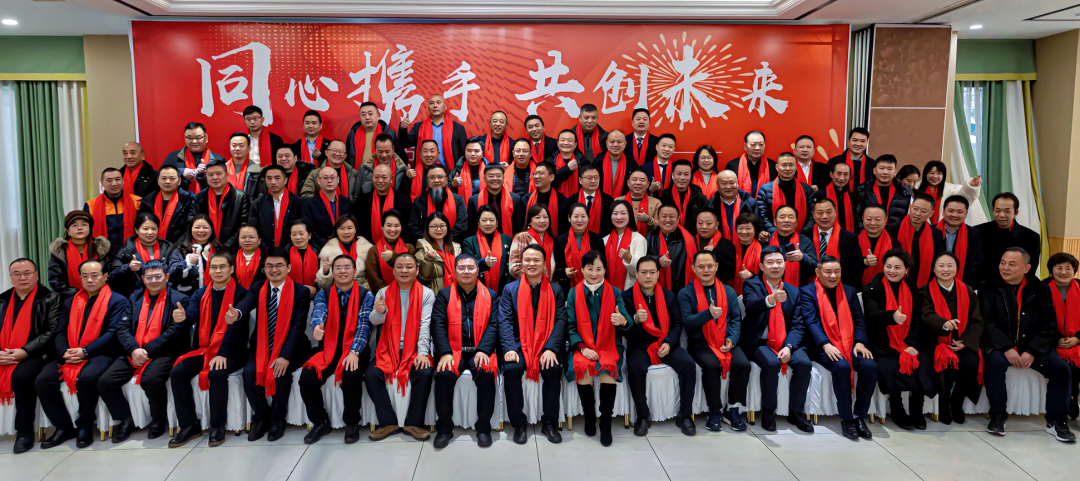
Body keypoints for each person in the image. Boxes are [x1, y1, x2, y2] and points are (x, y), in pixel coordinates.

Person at [980, 248, 1074, 441]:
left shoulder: (1040, 289)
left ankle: (1057, 422)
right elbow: (987, 323)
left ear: (1026, 268)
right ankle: (998, 417)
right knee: (994, 363)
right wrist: (1007, 348)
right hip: (1001, 346)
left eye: (1012, 264)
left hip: (1033, 346)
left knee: (1061, 369)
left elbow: (1048, 325)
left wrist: (1031, 351)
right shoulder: (988, 287)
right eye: (1003, 263)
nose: (1005, 268)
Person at [35, 259, 129, 449]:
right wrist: (64, 352)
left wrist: (86, 351)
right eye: (85, 276)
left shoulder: (118, 300)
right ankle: (63, 427)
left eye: (94, 275)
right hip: (70, 352)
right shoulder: (70, 302)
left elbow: (112, 333)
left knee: (87, 379)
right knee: (42, 380)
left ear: (105, 276)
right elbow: (60, 331)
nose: (89, 280)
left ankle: (85, 425)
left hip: (101, 353)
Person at [98, 259, 189, 443]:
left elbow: (174, 331)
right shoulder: (134, 298)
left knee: (151, 380)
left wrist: (146, 350)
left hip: (164, 351)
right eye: (149, 277)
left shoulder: (179, 299)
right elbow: (123, 328)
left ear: (167, 277)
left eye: (158, 276)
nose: (154, 281)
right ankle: (126, 420)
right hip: (134, 351)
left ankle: (158, 420)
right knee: (105, 382)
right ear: (143, 279)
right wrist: (133, 349)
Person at [169, 252, 253, 448]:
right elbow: (192, 315)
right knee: (177, 372)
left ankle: (217, 427)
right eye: (213, 267)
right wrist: (184, 317)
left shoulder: (242, 294)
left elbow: (236, 328)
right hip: (205, 349)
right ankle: (189, 426)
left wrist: (222, 353)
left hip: (233, 351)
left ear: (231, 269)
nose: (218, 271)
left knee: (217, 372)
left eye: (222, 266)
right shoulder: (200, 294)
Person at [796, 256, 877, 440]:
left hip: (849, 342)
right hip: (821, 345)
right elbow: (811, 321)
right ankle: (847, 419)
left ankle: (859, 416)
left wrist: (860, 341)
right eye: (828, 272)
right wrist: (825, 344)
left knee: (870, 366)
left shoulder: (849, 291)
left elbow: (859, 319)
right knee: (841, 366)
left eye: (837, 272)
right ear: (817, 272)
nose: (833, 276)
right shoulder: (807, 292)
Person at [299, 255, 374, 445]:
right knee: (307, 377)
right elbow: (319, 312)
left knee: (351, 374)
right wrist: (318, 325)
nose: (343, 271)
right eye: (338, 267)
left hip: (355, 348)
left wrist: (354, 352)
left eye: (347, 267)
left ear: (355, 272)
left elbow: (364, 327)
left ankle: (351, 422)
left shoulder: (366, 295)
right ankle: (320, 422)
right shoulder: (323, 294)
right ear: (332, 272)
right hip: (328, 348)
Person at [497, 244, 568, 445]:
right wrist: (509, 348)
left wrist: (551, 348)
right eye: (527, 260)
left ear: (544, 264)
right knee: (511, 369)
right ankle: (519, 424)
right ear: (521, 263)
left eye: (536, 260)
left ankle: (550, 423)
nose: (531, 264)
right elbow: (504, 321)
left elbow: (560, 321)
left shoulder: (555, 289)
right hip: (519, 345)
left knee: (553, 368)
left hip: (546, 345)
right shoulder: (510, 289)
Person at [621, 256, 697, 436]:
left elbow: (676, 324)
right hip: (640, 345)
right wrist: (635, 320)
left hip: (665, 343)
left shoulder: (669, 295)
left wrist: (669, 343)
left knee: (688, 365)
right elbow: (625, 331)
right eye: (643, 272)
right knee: (635, 367)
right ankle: (643, 416)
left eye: (652, 272)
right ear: (636, 274)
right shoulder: (626, 297)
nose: (648, 276)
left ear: (658, 274)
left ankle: (685, 415)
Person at [740, 246, 814, 432]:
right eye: (770, 262)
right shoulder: (752, 285)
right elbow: (750, 304)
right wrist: (771, 299)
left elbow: (798, 325)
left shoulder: (794, 292)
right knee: (771, 363)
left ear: (785, 265)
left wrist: (789, 346)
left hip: (786, 341)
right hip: (760, 341)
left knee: (804, 363)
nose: (775, 266)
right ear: (761, 266)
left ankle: (796, 413)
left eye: (779, 262)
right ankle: (768, 411)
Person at [430, 255, 500, 448]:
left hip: (480, 349)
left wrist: (484, 349)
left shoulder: (491, 295)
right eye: (462, 268)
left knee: (486, 374)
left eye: (470, 267)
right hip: (453, 350)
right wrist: (445, 352)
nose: (466, 271)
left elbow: (494, 325)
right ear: (455, 271)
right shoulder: (444, 295)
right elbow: (438, 325)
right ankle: (444, 429)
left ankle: (483, 428)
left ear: (478, 270)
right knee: (443, 375)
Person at [243, 248, 312, 442]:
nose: (274, 270)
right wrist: (237, 313)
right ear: (264, 269)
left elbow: (298, 327)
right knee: (249, 373)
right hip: (262, 345)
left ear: (288, 268)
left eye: (279, 265)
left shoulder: (301, 291)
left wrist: (285, 356)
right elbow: (245, 305)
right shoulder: (257, 288)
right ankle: (261, 417)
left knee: (280, 372)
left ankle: (277, 419)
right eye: (270, 266)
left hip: (292, 346)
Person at [366, 252, 435, 441]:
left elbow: (425, 325)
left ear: (417, 270)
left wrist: (423, 352)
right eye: (399, 267)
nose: (404, 270)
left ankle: (414, 423)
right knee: (372, 375)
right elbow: (374, 321)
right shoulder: (383, 293)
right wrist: (379, 312)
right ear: (393, 271)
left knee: (424, 372)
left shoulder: (427, 294)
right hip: (388, 348)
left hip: (414, 349)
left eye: (409, 267)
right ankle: (388, 422)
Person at [566, 251, 632, 446]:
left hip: (608, 345)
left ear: (605, 270)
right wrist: (582, 348)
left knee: (608, 370)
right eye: (590, 268)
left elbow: (628, 322)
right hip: (583, 345)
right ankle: (589, 415)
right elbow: (570, 326)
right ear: (582, 270)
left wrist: (622, 321)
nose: (594, 273)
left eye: (599, 269)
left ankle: (605, 421)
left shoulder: (615, 292)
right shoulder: (574, 293)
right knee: (583, 369)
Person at [679, 251, 749, 432]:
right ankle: (714, 410)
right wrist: (708, 314)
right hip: (701, 342)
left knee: (743, 364)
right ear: (693, 268)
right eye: (701, 266)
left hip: (726, 340)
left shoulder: (728, 291)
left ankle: (732, 409)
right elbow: (687, 322)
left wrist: (732, 340)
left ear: (716, 267)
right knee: (711, 366)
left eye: (710, 266)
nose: (706, 270)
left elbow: (736, 319)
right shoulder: (686, 293)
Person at [862, 249, 931, 431]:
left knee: (922, 361)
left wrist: (913, 344)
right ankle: (897, 408)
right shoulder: (872, 288)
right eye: (888, 266)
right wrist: (892, 316)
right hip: (882, 342)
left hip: (908, 340)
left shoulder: (912, 288)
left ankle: (917, 410)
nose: (892, 271)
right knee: (890, 365)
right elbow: (871, 315)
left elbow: (917, 319)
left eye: (898, 267)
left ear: (906, 270)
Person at [1, 259, 60, 454]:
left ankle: (24, 433)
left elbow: (52, 332)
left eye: (27, 273)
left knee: (22, 377)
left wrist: (25, 351)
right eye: (16, 274)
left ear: (36, 275)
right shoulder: (2, 300)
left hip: (37, 354)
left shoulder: (50, 298)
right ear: (11, 277)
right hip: (4, 353)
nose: (22, 278)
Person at [919, 252, 982, 426]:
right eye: (941, 266)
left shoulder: (968, 290)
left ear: (957, 268)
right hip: (936, 341)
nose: (945, 269)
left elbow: (976, 320)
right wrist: (944, 324)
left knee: (970, 363)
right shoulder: (925, 291)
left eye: (950, 265)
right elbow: (926, 315)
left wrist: (965, 342)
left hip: (962, 341)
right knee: (947, 364)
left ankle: (957, 402)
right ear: (934, 269)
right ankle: (944, 403)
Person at [976, 193, 1042, 285]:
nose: (1001, 215)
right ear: (993, 210)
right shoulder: (978, 232)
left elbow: (1030, 269)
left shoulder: (1031, 237)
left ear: (1016, 213)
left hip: (1015, 286)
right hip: (983, 286)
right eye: (997, 210)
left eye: (1007, 211)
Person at [1045, 253, 1080, 419]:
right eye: (1059, 268)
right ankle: (1070, 398)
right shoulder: (1041, 289)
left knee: (1075, 356)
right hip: (1050, 339)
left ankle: (1072, 396)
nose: (1063, 272)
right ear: (1051, 270)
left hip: (1077, 340)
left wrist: (1078, 338)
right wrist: (1057, 338)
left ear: (1074, 270)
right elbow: (1038, 320)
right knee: (1064, 363)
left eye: (1068, 268)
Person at [49, 211, 112, 300]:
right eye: (74, 225)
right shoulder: (59, 252)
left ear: (89, 228)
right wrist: (78, 294)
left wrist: (95, 292)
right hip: (70, 298)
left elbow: (109, 275)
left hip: (100, 296)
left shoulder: (101, 250)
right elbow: (56, 280)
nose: (79, 228)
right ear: (68, 231)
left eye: (84, 225)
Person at [886, 193, 944, 289]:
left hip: (925, 283)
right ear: (910, 207)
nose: (917, 214)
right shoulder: (892, 229)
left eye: (923, 211)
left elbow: (938, 259)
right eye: (915, 209)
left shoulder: (936, 233)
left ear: (931, 214)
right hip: (896, 280)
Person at [194, 159, 252, 252]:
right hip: (205, 249)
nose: (215, 177)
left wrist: (223, 248)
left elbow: (244, 226)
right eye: (210, 175)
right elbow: (192, 223)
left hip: (232, 250)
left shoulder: (241, 197)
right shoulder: (199, 197)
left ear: (226, 174)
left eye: (218, 174)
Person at [398, 94, 467, 170]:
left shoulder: (458, 128)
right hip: (425, 173)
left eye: (438, 102)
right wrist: (403, 128)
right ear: (428, 108)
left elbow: (463, 154)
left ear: (445, 107)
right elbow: (405, 143)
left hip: (450, 173)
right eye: (432, 103)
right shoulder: (419, 127)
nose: (435, 106)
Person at [111, 212, 172, 297]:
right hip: (136, 296)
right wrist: (128, 268)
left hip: (165, 294)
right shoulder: (126, 251)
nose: (150, 232)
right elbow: (112, 277)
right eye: (145, 229)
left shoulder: (167, 248)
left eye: (153, 229)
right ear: (137, 230)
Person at [85, 167, 142, 257]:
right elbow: (86, 234)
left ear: (123, 181)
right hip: (103, 256)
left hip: (132, 254)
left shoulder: (137, 202)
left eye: (117, 179)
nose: (114, 183)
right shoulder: (90, 205)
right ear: (102, 183)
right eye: (109, 180)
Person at [804, 198, 862, 285]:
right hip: (810, 287)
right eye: (820, 213)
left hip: (841, 287)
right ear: (813, 215)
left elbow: (854, 271)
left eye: (829, 212)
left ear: (835, 213)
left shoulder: (850, 239)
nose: (824, 216)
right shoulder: (806, 236)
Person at [167, 214, 227, 295]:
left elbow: (229, 272)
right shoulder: (181, 250)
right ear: (190, 229)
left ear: (211, 230)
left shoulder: (220, 249)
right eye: (197, 227)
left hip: (217, 295)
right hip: (188, 297)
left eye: (205, 227)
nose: (201, 230)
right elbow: (170, 274)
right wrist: (186, 263)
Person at [355, 162, 413, 245]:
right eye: (376, 177)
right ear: (372, 177)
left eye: (384, 177)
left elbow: (406, 229)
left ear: (391, 178)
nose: (380, 181)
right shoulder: (362, 201)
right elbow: (360, 228)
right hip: (368, 247)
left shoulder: (404, 201)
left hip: (397, 247)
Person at [249, 165, 306, 248]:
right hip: (264, 250)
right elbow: (253, 230)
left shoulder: (298, 202)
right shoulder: (257, 204)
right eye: (269, 178)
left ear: (285, 180)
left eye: (277, 178)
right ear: (265, 180)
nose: (273, 182)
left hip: (292, 249)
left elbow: (305, 228)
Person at [757, 153, 814, 235]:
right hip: (773, 236)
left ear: (796, 167)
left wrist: (801, 235)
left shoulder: (807, 189)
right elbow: (762, 216)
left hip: (802, 236)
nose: (787, 168)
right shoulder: (765, 189)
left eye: (791, 165)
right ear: (777, 167)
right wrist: (777, 234)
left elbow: (812, 216)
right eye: (784, 165)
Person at [554, 203, 606, 293]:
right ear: (569, 218)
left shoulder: (597, 239)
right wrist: (565, 271)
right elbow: (555, 270)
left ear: (588, 218)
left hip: (595, 288)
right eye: (576, 216)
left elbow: (603, 265)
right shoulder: (560, 241)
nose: (579, 220)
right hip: (568, 289)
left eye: (583, 216)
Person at [409, 164, 467, 241]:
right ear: (427, 181)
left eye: (440, 177)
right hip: (426, 244)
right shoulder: (419, 201)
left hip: (452, 243)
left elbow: (462, 226)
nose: (436, 180)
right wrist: (429, 242)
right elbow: (414, 227)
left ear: (446, 179)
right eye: (432, 177)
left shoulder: (458, 200)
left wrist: (445, 242)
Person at [140, 165, 196, 243]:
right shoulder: (147, 201)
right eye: (163, 178)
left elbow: (189, 229)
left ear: (179, 181)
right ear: (158, 181)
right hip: (152, 245)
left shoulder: (189, 200)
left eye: (172, 178)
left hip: (179, 246)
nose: (167, 181)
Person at [162, 121, 223, 193]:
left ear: (206, 138)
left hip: (209, 198)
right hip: (181, 199)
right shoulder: (173, 157)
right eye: (189, 138)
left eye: (198, 137)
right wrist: (180, 172)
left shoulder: (218, 160)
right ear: (185, 138)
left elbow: (223, 185)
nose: (194, 141)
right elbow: (160, 177)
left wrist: (203, 177)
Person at [315, 215, 373, 291]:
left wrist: (363, 291)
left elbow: (372, 276)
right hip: (337, 292)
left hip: (362, 291)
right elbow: (323, 285)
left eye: (349, 228)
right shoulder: (328, 251)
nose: (346, 232)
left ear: (355, 229)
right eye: (342, 228)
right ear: (336, 230)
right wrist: (325, 273)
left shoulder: (367, 249)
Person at [647, 205, 695, 295]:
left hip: (682, 289)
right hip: (654, 288)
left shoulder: (689, 239)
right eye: (664, 216)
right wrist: (658, 260)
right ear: (657, 218)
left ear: (678, 219)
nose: (668, 220)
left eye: (672, 216)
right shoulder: (650, 237)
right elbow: (643, 260)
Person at [462, 206, 513, 291]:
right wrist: (484, 263)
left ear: (497, 222)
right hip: (477, 288)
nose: (488, 223)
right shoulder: (469, 241)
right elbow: (468, 265)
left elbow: (510, 266)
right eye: (484, 220)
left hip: (504, 289)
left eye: (492, 220)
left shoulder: (507, 240)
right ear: (478, 222)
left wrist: (506, 290)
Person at [303, 166, 355, 248]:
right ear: (318, 181)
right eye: (325, 178)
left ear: (338, 179)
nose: (329, 181)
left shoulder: (347, 203)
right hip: (321, 248)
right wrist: (329, 245)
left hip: (346, 246)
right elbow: (310, 231)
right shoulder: (309, 204)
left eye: (332, 177)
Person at [915, 160, 982, 224]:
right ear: (925, 174)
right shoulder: (916, 187)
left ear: (943, 175)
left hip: (942, 227)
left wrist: (971, 186)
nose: (935, 176)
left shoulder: (949, 189)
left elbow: (962, 198)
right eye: (931, 173)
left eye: (939, 173)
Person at [365, 210, 415, 294]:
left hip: (408, 293)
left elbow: (412, 269)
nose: (392, 229)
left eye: (396, 226)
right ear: (382, 226)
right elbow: (374, 280)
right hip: (384, 296)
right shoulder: (373, 250)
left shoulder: (409, 248)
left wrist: (393, 257)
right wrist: (390, 294)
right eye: (388, 225)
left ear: (401, 227)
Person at [766, 206, 817, 287]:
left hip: (799, 290)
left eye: (790, 217)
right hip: (769, 289)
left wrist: (802, 258)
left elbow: (816, 268)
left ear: (796, 222)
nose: (786, 220)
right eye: (782, 217)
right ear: (775, 222)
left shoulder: (805, 241)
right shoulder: (767, 240)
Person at [853, 154, 911, 226]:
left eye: (890, 169)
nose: (885, 172)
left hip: (894, 232)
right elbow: (857, 217)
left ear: (895, 172)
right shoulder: (862, 190)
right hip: (869, 231)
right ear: (874, 170)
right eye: (881, 168)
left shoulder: (904, 192)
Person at [345, 101, 406, 168]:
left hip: (382, 173)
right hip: (358, 173)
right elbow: (347, 159)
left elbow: (402, 158)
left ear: (378, 115)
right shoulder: (352, 135)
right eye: (363, 115)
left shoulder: (389, 134)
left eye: (370, 114)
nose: (367, 117)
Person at [467, 164, 522, 237]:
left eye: (498, 176)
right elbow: (472, 229)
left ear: (503, 177)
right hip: (480, 241)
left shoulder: (516, 199)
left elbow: (519, 228)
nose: (495, 178)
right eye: (491, 176)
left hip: (508, 241)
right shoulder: (474, 200)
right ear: (484, 179)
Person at [938, 195, 982, 284]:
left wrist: (961, 285)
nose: (954, 215)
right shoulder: (932, 231)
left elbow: (976, 263)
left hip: (964, 283)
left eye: (959, 212)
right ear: (943, 211)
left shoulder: (975, 234)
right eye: (951, 211)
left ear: (966, 214)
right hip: (934, 282)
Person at [604, 200, 648, 290]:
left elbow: (642, 270)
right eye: (615, 213)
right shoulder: (605, 240)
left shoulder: (639, 239)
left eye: (623, 213)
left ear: (629, 216)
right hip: (607, 290)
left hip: (629, 290)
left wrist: (629, 259)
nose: (619, 217)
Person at [416, 213, 462, 293]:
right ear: (427, 228)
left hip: (457, 294)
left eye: (442, 226)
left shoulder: (456, 248)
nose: (438, 229)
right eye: (434, 226)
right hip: (436, 296)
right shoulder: (423, 250)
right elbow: (423, 278)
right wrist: (429, 259)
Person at [522, 161, 569, 235]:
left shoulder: (562, 201)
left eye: (541, 173)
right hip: (530, 239)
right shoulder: (526, 199)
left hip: (554, 240)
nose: (536, 177)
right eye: (535, 174)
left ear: (551, 177)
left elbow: (564, 229)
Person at [709, 170, 757, 242]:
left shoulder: (750, 203)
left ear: (737, 183)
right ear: (717, 185)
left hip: (746, 244)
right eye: (724, 183)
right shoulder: (711, 204)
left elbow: (757, 227)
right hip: (719, 245)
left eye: (732, 183)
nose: (728, 187)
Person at [660, 159, 708, 231]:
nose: (682, 178)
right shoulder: (664, 198)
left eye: (686, 174)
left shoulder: (700, 198)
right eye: (679, 174)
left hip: (694, 237)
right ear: (673, 175)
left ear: (691, 176)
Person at [725, 131, 776, 198]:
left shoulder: (773, 166)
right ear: (745, 146)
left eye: (761, 144)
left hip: (765, 204)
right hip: (739, 203)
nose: (757, 148)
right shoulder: (732, 166)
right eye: (753, 144)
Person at [357, 133, 410, 197]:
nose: (384, 155)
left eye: (387, 151)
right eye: (380, 152)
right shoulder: (365, 168)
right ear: (375, 150)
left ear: (393, 149)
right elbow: (357, 194)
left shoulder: (402, 169)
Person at [810, 162, 856, 233]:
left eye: (845, 174)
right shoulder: (821, 194)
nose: (842, 178)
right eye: (839, 174)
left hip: (847, 235)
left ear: (849, 177)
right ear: (831, 174)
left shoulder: (851, 196)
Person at [857, 206, 896, 287]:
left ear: (885, 220)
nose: (873, 223)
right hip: (857, 289)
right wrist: (865, 263)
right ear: (863, 219)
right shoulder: (853, 241)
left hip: (886, 288)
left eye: (877, 219)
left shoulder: (894, 243)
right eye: (869, 219)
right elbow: (846, 268)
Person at [596, 129, 636, 199]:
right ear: (607, 143)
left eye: (619, 142)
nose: (615, 145)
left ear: (625, 144)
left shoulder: (631, 163)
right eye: (612, 142)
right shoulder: (598, 162)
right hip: (601, 201)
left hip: (625, 202)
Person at [730, 213, 764, 296]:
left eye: (748, 228)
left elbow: (766, 275)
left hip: (753, 293)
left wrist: (752, 275)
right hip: (731, 292)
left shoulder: (762, 250)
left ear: (755, 231)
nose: (744, 232)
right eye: (740, 228)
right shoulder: (730, 247)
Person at [575, 165, 614, 235]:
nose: (593, 181)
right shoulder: (572, 200)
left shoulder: (608, 200)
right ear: (580, 180)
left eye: (596, 178)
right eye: (589, 178)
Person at [286, 222, 320, 296]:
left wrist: (315, 288)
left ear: (309, 235)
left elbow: (322, 277)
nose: (298, 237)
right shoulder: (285, 253)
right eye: (294, 234)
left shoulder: (318, 252)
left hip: (313, 293)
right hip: (290, 292)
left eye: (301, 234)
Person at [551, 128, 585, 198]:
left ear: (575, 145)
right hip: (554, 199)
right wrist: (567, 169)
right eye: (563, 140)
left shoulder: (583, 162)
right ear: (558, 143)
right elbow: (547, 181)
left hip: (578, 199)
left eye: (569, 140)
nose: (566, 143)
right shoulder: (550, 161)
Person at [625, 170, 661, 236]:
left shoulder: (656, 203)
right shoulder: (618, 201)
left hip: (648, 240)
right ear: (628, 183)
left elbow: (661, 227)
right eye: (634, 180)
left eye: (642, 180)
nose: (638, 183)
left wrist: (648, 220)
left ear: (648, 184)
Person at [451, 137, 487, 202]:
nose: (472, 154)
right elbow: (446, 192)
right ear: (465, 152)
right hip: (462, 207)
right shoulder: (456, 171)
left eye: (476, 151)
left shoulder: (488, 171)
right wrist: (453, 185)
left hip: (484, 206)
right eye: (469, 151)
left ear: (482, 153)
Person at [234, 225, 266, 289]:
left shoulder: (266, 258)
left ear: (259, 240)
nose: (247, 240)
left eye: (251, 237)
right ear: (238, 241)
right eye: (243, 237)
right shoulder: (230, 259)